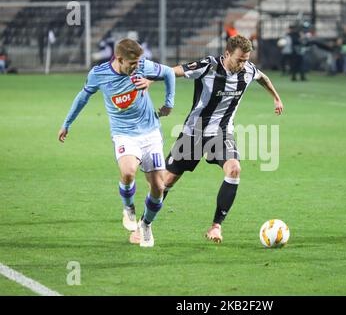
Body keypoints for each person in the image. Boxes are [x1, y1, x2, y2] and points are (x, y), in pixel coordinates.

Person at [130, 35, 284, 244]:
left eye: (246, 59)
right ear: (227, 54)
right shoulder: (208, 66)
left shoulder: (248, 70)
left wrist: (276, 97)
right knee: (166, 181)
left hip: (221, 133)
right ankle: (143, 225)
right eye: (239, 59)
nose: (243, 64)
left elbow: (262, 77)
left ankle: (216, 226)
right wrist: (150, 79)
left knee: (234, 169)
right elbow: (175, 71)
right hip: (194, 132)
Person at [58, 38, 176, 247]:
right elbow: (82, 97)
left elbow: (167, 72)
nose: (137, 67)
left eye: (139, 63)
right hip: (124, 134)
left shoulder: (141, 66)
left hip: (150, 132)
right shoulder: (99, 74)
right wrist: (67, 123)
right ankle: (128, 207)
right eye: (132, 64)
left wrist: (169, 103)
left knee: (158, 186)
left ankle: (146, 225)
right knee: (128, 171)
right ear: (119, 59)